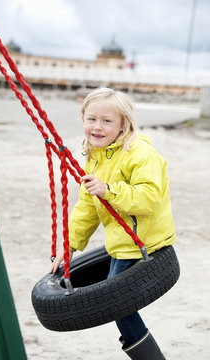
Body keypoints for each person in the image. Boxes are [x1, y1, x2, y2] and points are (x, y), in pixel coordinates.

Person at [50, 87, 176, 360]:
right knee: (118, 306)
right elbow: (87, 208)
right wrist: (70, 246)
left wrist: (110, 190)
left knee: (117, 304)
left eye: (107, 121)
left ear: (123, 124)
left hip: (145, 241)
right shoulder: (95, 157)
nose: (97, 126)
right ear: (83, 118)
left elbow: (150, 198)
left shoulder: (140, 153)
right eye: (91, 118)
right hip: (121, 243)